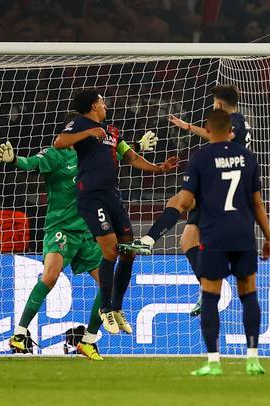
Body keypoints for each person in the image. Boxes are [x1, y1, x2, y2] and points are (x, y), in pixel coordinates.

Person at [131, 109, 270, 376]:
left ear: (208, 130)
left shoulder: (201, 158)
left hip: (214, 234)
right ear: (231, 130)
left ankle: (213, 362)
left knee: (209, 296)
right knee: (249, 295)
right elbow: (257, 203)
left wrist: (187, 201)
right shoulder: (248, 157)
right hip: (243, 234)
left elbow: (184, 201)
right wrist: (268, 236)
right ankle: (253, 358)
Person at [53, 89, 178, 335]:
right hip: (91, 196)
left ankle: (118, 307)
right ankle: (106, 309)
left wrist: (159, 168)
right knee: (110, 250)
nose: (105, 105)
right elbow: (59, 142)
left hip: (112, 195)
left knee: (129, 252)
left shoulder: (111, 131)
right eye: (101, 101)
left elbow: (131, 157)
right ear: (92, 106)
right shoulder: (80, 123)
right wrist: (88, 132)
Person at [0, 133, 106, 359]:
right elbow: (32, 163)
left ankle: (89, 340)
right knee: (50, 276)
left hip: (86, 232)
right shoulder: (55, 154)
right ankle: (19, 334)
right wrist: (15, 159)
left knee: (109, 284)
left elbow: (116, 157)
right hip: (61, 229)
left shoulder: (91, 155)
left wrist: (138, 147)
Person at [156, 84, 251, 317]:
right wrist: (189, 127)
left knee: (182, 203)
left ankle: (150, 239)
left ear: (219, 104)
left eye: (213, 104)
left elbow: (224, 135)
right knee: (187, 239)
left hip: (224, 189)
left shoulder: (235, 120)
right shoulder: (237, 121)